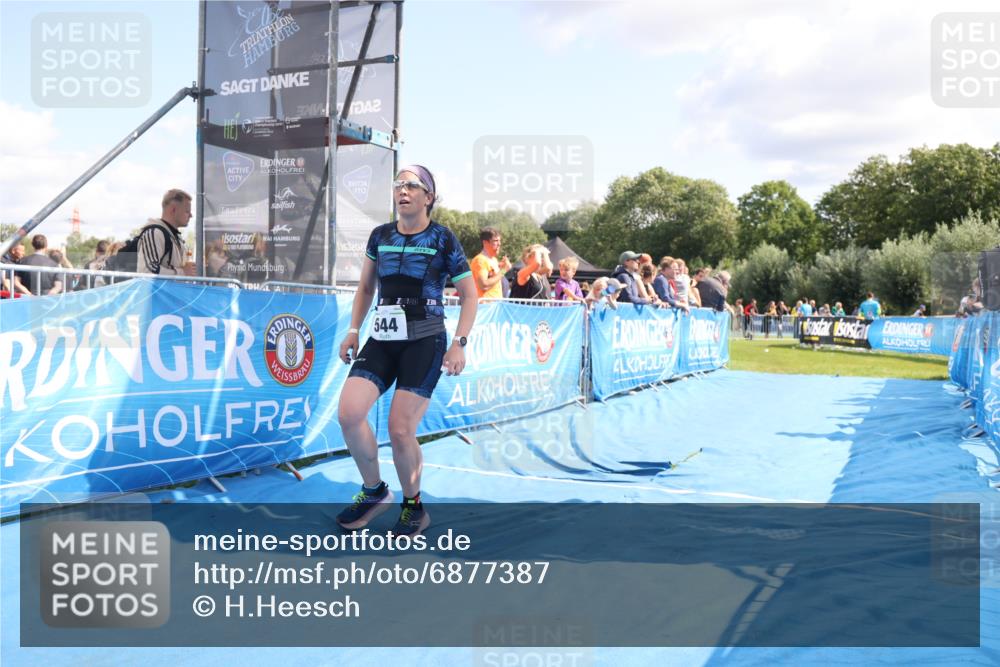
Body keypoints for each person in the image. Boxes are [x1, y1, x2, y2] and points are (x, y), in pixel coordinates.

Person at [336, 165, 476, 537]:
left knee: (400, 429)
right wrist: (353, 330)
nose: (403, 190)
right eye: (399, 184)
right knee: (349, 414)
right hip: (382, 338)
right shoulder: (379, 235)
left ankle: (413, 505)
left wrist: (459, 343)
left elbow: (469, 294)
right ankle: (374, 491)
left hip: (425, 339)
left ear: (428, 197)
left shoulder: (443, 238)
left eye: (412, 185)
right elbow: (366, 288)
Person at [137, 189, 195, 276]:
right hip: (157, 290)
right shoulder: (155, 233)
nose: (191, 215)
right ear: (173, 210)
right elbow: (147, 272)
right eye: (187, 211)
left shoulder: (175, 236)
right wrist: (183, 272)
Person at [469, 227, 511, 300]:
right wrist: (503, 270)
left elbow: (495, 280)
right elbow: (483, 285)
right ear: (485, 242)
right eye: (496, 241)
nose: (499, 244)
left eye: (499, 241)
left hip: (494, 307)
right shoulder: (480, 260)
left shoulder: (494, 260)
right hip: (485, 308)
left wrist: (501, 268)